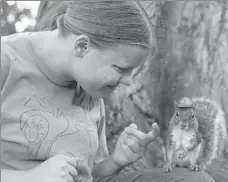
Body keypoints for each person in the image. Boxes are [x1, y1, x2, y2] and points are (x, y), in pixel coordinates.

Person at [1, 1, 215, 182]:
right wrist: (30, 177)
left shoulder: (89, 85)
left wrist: (115, 161)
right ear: (82, 47)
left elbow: (87, 175)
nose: (129, 82)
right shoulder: (7, 61)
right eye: (121, 69)